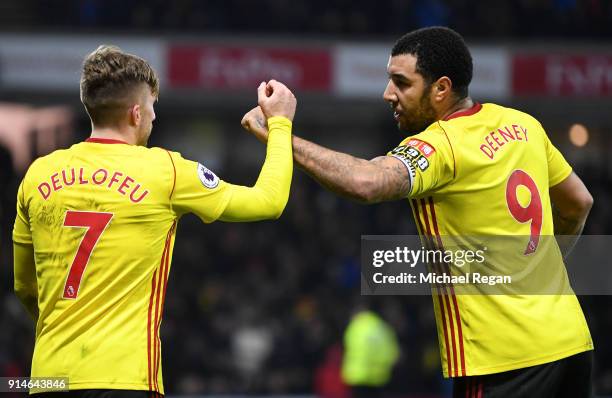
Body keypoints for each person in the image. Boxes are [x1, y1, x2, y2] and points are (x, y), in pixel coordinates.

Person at [242, 27, 594, 397]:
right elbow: (579, 202)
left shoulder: (441, 145)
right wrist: (536, 267)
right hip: (570, 342)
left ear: (441, 88)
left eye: (401, 82)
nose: (388, 94)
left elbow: (367, 182)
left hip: (505, 359)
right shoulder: (523, 125)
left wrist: (279, 134)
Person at [13, 45, 295, 397]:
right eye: (151, 107)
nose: (154, 117)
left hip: (48, 379)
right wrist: (281, 123)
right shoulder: (166, 171)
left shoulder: (38, 175)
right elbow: (268, 202)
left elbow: (25, 287)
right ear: (135, 113)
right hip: (124, 380)